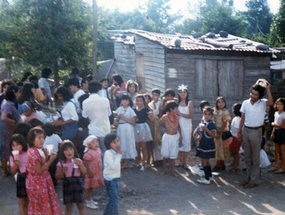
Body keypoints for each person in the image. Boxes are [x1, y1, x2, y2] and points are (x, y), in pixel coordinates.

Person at [238, 82, 273, 188]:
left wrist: (268, 90)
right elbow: (243, 118)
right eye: (252, 93)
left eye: (256, 95)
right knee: (247, 157)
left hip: (257, 131)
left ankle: (254, 180)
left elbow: (271, 102)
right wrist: (240, 130)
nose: (253, 96)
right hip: (247, 130)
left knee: (255, 157)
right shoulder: (245, 103)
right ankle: (248, 178)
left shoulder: (262, 103)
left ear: (259, 96)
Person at [26, 127, 62, 214]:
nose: (42, 140)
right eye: (39, 138)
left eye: (43, 138)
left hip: (37, 181)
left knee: (40, 204)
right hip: (38, 182)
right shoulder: (34, 153)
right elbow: (39, 171)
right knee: (42, 204)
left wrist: (46, 157)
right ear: (32, 139)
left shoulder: (34, 150)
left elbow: (41, 165)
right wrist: (50, 160)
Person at [55, 140, 87, 214]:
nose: (69, 151)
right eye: (66, 150)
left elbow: (84, 172)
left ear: (74, 150)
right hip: (67, 185)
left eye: (71, 149)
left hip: (77, 185)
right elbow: (57, 177)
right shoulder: (60, 163)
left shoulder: (78, 161)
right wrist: (62, 172)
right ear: (62, 152)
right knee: (68, 207)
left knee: (81, 205)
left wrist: (81, 165)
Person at [82, 81, 111, 153]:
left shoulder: (85, 102)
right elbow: (109, 114)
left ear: (88, 90)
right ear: (98, 90)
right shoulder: (105, 100)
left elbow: (84, 116)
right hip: (105, 131)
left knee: (93, 153)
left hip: (93, 131)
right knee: (105, 153)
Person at [156, 101, 182, 177]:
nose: (177, 110)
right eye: (176, 108)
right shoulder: (165, 117)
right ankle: (163, 170)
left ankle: (173, 171)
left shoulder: (177, 117)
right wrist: (157, 135)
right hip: (167, 136)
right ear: (171, 109)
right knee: (165, 154)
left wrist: (181, 136)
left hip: (175, 136)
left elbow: (179, 127)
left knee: (173, 154)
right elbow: (158, 125)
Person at [1, 85, 21, 177]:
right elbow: (4, 117)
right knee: (7, 151)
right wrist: (12, 122)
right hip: (10, 132)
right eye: (18, 92)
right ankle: (5, 172)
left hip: (11, 131)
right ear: (14, 93)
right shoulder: (8, 104)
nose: (19, 94)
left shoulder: (8, 102)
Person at [114, 95, 137, 169]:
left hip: (128, 128)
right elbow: (115, 122)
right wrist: (117, 118)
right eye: (123, 100)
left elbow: (133, 122)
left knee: (127, 144)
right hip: (120, 127)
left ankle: (126, 162)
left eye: (126, 100)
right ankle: (120, 161)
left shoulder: (131, 110)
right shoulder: (118, 109)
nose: (124, 102)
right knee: (120, 143)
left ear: (129, 102)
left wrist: (124, 118)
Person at [196, 107, 216, 184]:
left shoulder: (211, 124)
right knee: (206, 161)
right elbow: (201, 133)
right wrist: (199, 137)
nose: (206, 116)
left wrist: (206, 129)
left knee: (205, 161)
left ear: (211, 116)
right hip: (203, 143)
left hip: (208, 144)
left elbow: (213, 134)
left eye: (209, 114)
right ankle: (209, 176)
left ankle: (206, 179)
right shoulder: (203, 122)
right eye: (205, 114)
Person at [83, 135, 104, 209]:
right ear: (88, 144)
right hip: (91, 172)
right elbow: (85, 163)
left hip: (97, 171)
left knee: (92, 186)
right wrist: (88, 171)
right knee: (89, 187)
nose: (96, 144)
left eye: (97, 142)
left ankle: (90, 199)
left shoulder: (98, 150)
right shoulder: (89, 153)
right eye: (93, 142)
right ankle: (88, 200)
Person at [133, 94, 154, 171]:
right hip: (135, 127)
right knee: (137, 146)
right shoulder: (134, 110)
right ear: (135, 101)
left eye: (141, 101)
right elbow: (133, 120)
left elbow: (152, 119)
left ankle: (144, 163)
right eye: (137, 101)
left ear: (143, 102)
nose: (139, 102)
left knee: (144, 145)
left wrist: (151, 114)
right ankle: (137, 159)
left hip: (143, 127)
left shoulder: (146, 109)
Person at [103, 133, 122, 215]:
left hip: (114, 178)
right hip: (110, 179)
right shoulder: (108, 153)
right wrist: (119, 155)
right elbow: (113, 166)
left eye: (118, 141)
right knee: (115, 200)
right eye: (114, 143)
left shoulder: (115, 152)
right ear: (109, 145)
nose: (117, 144)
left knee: (112, 200)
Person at [10, 134, 29, 215]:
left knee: (29, 200)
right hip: (20, 177)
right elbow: (13, 172)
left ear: (23, 144)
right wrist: (16, 164)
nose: (16, 147)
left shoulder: (28, 153)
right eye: (13, 145)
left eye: (18, 144)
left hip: (30, 177)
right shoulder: (12, 157)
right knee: (22, 202)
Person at [177, 85, 194, 170]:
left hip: (187, 125)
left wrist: (181, 114)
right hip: (179, 125)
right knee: (180, 142)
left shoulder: (189, 103)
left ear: (187, 93)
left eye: (184, 92)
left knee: (186, 143)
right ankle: (180, 161)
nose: (183, 94)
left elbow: (191, 115)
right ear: (178, 93)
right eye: (181, 92)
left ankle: (185, 162)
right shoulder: (176, 103)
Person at [212, 97, 231, 171]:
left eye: (222, 102)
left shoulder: (225, 112)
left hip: (222, 133)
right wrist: (216, 130)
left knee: (222, 148)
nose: (221, 104)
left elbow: (225, 122)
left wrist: (220, 131)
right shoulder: (214, 111)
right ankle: (221, 164)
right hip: (216, 131)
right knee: (217, 148)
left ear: (225, 103)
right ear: (216, 103)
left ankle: (219, 164)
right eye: (219, 102)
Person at [269, 98, 285, 173]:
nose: (279, 106)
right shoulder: (276, 113)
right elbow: (275, 125)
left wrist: (274, 124)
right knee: (275, 150)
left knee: (282, 151)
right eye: (278, 104)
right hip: (276, 132)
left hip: (282, 133)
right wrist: (272, 132)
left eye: (281, 104)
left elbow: (283, 126)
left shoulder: (284, 114)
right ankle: (276, 165)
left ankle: (283, 167)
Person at [0, 79, 14, 162]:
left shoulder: (12, 98)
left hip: (11, 121)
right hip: (2, 120)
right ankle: (2, 159)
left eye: (8, 87)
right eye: (4, 87)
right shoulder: (1, 97)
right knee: (2, 141)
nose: (6, 89)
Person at [148, 88, 162, 165]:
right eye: (153, 94)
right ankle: (154, 159)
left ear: (159, 96)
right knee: (152, 140)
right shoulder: (149, 104)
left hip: (157, 122)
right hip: (151, 123)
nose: (154, 96)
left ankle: (159, 158)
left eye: (156, 95)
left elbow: (159, 114)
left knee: (158, 140)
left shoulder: (160, 104)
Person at [229, 103, 242, 172]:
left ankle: (235, 166)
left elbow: (238, 129)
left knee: (236, 153)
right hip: (234, 137)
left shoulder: (237, 119)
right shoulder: (237, 118)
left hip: (236, 138)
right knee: (233, 151)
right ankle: (234, 163)